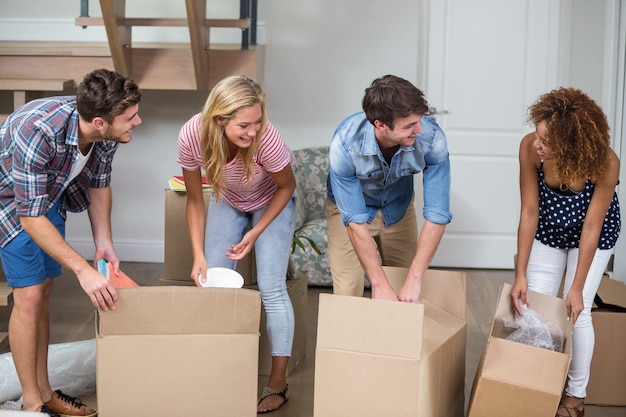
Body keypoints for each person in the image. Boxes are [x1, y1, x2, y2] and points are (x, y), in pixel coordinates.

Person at [0, 68, 142, 416]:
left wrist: (103, 242)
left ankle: (45, 391)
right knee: (29, 295)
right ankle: (32, 404)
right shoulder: (36, 130)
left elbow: (99, 183)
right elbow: (29, 215)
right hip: (10, 202)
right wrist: (82, 269)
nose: (137, 121)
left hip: (48, 195)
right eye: (130, 117)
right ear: (99, 122)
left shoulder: (107, 133)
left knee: (45, 288)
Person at [177, 74, 296, 414]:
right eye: (245, 125)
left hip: (273, 199)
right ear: (219, 119)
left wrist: (256, 232)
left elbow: (287, 187)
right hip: (229, 200)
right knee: (212, 283)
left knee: (272, 288)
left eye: (258, 122)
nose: (254, 131)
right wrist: (198, 255)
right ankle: (218, 371)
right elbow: (195, 200)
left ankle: (278, 383)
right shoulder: (192, 135)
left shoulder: (267, 140)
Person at [510, 87, 621, 417]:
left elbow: (591, 228)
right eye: (538, 133)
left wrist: (575, 289)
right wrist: (519, 275)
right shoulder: (530, 149)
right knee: (537, 305)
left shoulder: (605, 162)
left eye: (546, 141)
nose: (537, 143)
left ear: (572, 146)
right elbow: (529, 211)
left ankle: (575, 397)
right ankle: (537, 386)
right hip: (549, 229)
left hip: (592, 235)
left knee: (577, 312)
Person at [326, 74, 453, 302]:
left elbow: (438, 214)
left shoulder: (432, 139)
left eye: (420, 120)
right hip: (351, 211)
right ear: (380, 125)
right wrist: (377, 282)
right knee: (347, 293)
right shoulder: (345, 144)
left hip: (398, 208)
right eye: (409, 126)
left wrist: (415, 279)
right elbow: (354, 220)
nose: (420, 130)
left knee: (405, 291)